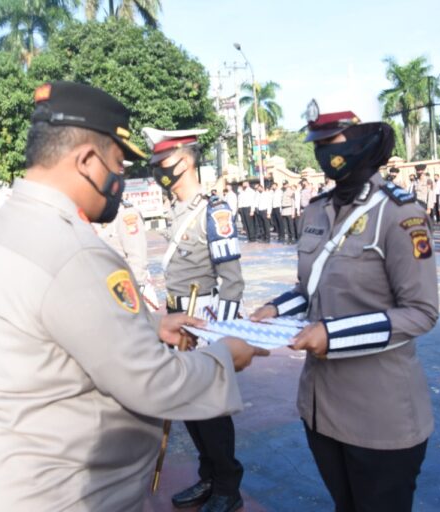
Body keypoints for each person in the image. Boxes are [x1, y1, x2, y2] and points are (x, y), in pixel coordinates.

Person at [0, 81, 268, 511]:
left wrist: (150, 324)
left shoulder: (4, 226)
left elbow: (63, 322)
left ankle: (222, 482)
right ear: (86, 160)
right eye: (118, 163)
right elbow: (151, 381)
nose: (122, 178)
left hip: (10, 474)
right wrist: (225, 358)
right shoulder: (73, 250)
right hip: (67, 491)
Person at [252, 102, 439, 512]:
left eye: (329, 142)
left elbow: (421, 311)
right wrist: (275, 310)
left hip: (380, 413)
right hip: (320, 406)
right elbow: (311, 288)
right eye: (316, 144)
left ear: (361, 140)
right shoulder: (317, 208)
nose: (321, 153)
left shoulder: (398, 212)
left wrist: (330, 335)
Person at [143, 126, 247, 512]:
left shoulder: (213, 210)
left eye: (161, 161)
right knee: (187, 405)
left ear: (184, 160)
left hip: (204, 318)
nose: (157, 169)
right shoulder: (174, 209)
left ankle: (227, 486)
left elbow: (232, 282)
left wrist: (219, 337)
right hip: (175, 315)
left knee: (211, 410)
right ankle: (208, 477)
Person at [92, 200, 159, 311]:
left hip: (127, 292)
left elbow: (137, 258)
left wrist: (132, 292)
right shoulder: (95, 214)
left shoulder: (125, 213)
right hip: (106, 291)